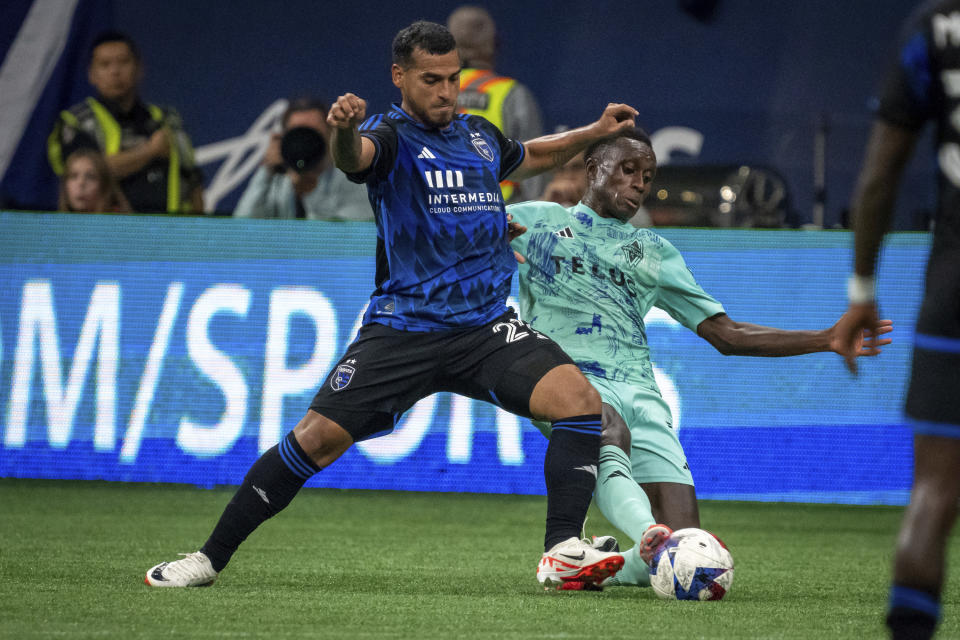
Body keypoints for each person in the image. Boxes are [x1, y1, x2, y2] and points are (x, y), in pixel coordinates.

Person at [145, 20, 640, 591]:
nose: (447, 92)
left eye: (453, 79)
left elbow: (529, 156)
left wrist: (596, 130)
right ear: (400, 77)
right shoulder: (390, 136)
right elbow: (353, 159)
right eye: (432, 80)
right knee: (315, 439)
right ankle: (207, 559)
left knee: (579, 402)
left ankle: (562, 550)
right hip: (405, 330)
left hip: (484, 327)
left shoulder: (478, 135)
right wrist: (342, 131)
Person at [508, 127, 893, 590]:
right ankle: (643, 534)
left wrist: (826, 338)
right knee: (612, 439)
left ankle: (604, 570)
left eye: (647, 177)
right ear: (593, 169)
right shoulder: (537, 221)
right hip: (569, 381)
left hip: (641, 393)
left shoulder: (655, 251)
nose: (638, 183)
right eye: (628, 170)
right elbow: (451, 234)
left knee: (689, 544)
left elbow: (726, 335)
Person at [834, 2, 960, 637]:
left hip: (955, 284)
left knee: (935, 493)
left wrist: (862, 289)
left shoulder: (935, 28)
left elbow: (880, 177)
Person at [47, 31, 203, 214]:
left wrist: (198, 230)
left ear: (139, 68)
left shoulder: (168, 119)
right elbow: (91, 173)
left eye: (123, 62)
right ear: (91, 74)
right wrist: (150, 151)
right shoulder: (76, 122)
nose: (115, 71)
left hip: (170, 232)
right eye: (105, 65)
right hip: (108, 233)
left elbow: (192, 179)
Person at [447, 5, 545, 203]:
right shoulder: (512, 94)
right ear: (493, 45)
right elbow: (535, 164)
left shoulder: (431, 92)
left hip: (440, 214)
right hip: (500, 214)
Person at [233, 97, 371, 220]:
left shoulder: (354, 171)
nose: (305, 142)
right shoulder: (280, 175)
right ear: (285, 138)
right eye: (298, 133)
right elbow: (241, 225)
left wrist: (309, 194)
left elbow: (348, 236)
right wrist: (266, 170)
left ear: (331, 134)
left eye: (312, 133)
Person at [57, 148, 131, 213]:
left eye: (90, 177)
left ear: (105, 185)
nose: (81, 183)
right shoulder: (55, 225)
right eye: (73, 176)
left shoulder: (120, 224)